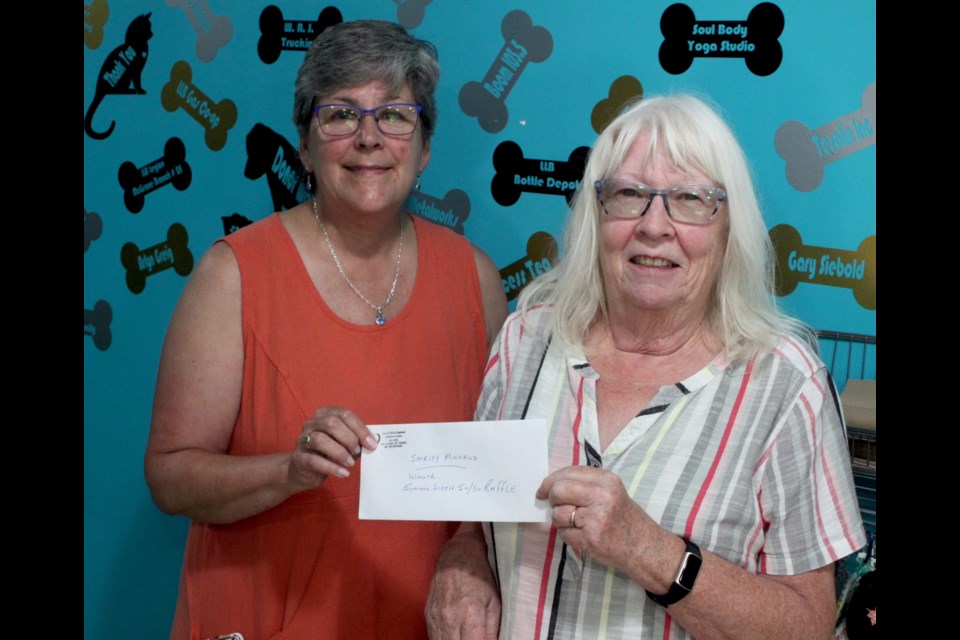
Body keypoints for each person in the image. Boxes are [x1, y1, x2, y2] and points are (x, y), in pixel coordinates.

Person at [425, 94, 866, 640]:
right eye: (629, 194)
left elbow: (807, 623)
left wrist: (650, 551)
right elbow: (480, 510)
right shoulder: (527, 338)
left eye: (689, 199)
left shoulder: (786, 385)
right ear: (595, 213)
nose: (654, 226)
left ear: (730, 228)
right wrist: (462, 558)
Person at [144, 20, 507, 640]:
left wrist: (472, 550)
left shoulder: (474, 280)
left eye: (394, 114)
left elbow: (492, 477)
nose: (369, 138)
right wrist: (287, 471)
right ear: (307, 148)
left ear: (423, 149)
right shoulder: (233, 274)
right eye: (340, 114)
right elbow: (171, 476)